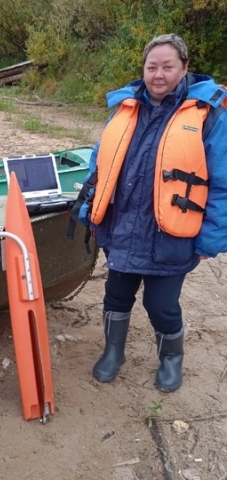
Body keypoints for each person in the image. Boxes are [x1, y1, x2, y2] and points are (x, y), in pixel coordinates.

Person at [79, 33, 227, 392]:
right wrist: (88, 207)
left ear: (185, 68)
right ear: (143, 69)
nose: (158, 74)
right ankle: (114, 352)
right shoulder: (125, 108)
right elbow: (100, 165)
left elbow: (222, 183)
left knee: (161, 305)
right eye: (151, 67)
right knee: (115, 295)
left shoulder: (210, 117)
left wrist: (210, 238)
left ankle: (171, 359)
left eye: (167, 66)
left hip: (171, 235)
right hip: (124, 228)